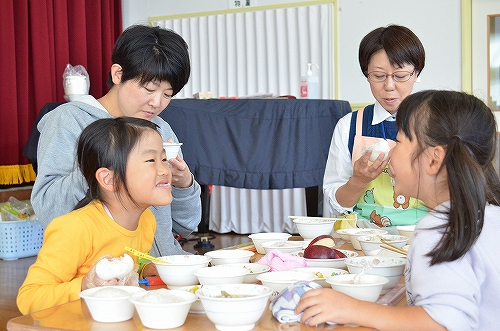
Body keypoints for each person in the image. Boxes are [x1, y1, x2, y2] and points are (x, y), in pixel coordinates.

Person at [296, 90, 500, 330]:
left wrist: (351, 308)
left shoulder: (439, 230)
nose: (390, 152)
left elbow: (441, 324)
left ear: (434, 160)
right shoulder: (488, 215)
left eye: (400, 141)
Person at [30, 25, 201, 257]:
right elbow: (50, 211)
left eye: (167, 94)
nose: (157, 103)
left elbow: (186, 225)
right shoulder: (69, 121)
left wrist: (184, 184)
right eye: (149, 89)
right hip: (104, 273)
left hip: (161, 265)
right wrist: (103, 158)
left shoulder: (160, 128)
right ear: (118, 74)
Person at [18, 117, 171, 314]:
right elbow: (29, 297)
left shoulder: (146, 219)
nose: (164, 170)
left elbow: (127, 266)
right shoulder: (75, 228)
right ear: (109, 179)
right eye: (151, 160)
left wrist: (145, 269)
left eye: (164, 159)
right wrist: (85, 286)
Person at [323, 25, 427, 228]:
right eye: (378, 76)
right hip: (363, 241)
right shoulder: (349, 126)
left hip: (423, 238)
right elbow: (335, 205)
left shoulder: (437, 124)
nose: (389, 86)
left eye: (400, 76)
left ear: (416, 73)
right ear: (366, 74)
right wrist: (358, 181)